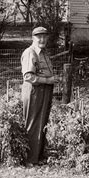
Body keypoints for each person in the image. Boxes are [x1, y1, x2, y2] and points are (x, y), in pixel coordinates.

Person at [20, 26, 60, 166]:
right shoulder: (30, 52)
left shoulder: (44, 53)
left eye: (44, 36)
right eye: (39, 37)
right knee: (32, 123)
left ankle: (38, 157)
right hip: (34, 91)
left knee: (43, 123)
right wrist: (47, 80)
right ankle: (29, 159)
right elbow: (28, 76)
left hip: (45, 91)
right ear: (33, 38)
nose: (42, 39)